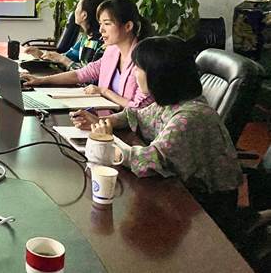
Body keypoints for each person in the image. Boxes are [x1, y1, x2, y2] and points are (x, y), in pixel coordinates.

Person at [73, 36, 242, 231]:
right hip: (181, 189)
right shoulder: (170, 102)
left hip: (205, 207)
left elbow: (150, 161)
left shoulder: (190, 117)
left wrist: (108, 144)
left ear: (159, 74)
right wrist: (105, 121)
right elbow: (135, 115)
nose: (134, 73)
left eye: (138, 68)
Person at [22, 0, 153, 110]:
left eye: (107, 24)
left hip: (130, 126)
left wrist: (104, 91)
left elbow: (139, 108)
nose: (101, 30)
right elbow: (82, 73)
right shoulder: (112, 51)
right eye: (100, 24)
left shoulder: (145, 59)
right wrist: (41, 80)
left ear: (128, 26)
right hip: (107, 117)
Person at [25, 0, 107, 70]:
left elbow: (89, 74)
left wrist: (63, 60)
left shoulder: (103, 42)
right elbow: (67, 57)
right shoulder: (86, 37)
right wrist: (40, 54)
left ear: (84, 15)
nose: (74, 11)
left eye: (77, 7)